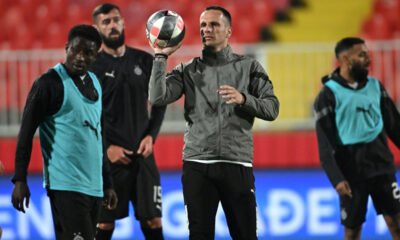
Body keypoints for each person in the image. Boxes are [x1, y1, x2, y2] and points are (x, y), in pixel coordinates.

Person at [148, 6, 279, 240]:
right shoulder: (187, 70)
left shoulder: (249, 67)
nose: (206, 29)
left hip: (237, 163)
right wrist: (160, 56)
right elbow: (158, 97)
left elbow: (272, 109)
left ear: (228, 31)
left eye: (214, 25)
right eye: (203, 25)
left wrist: (244, 99)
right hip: (197, 165)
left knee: (246, 235)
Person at [11, 24, 118, 240]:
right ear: (66, 47)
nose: (79, 57)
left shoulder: (95, 82)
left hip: (94, 187)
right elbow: (26, 132)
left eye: (87, 53)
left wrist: (107, 183)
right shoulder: (47, 84)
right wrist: (20, 179)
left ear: (95, 57)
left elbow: (99, 138)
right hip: (66, 185)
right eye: (75, 50)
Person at [91, 3, 167, 240]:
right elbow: (87, 117)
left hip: (143, 157)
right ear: (97, 28)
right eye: (106, 22)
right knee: (104, 224)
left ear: (123, 22)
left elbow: (160, 101)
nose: (112, 25)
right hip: (110, 160)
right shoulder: (93, 67)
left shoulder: (144, 61)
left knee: (153, 219)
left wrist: (150, 137)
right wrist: (106, 150)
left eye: (115, 20)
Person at [314, 37, 400, 240]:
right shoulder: (327, 95)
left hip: (382, 167)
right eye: (361, 55)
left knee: (396, 223)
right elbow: (325, 144)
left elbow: (395, 126)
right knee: (352, 231)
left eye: (367, 54)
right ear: (345, 59)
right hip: (351, 172)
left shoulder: (375, 87)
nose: (368, 59)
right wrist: (336, 178)